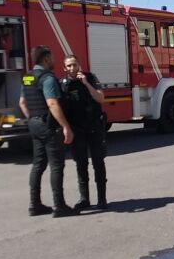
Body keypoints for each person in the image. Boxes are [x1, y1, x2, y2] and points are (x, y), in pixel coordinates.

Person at [19, 45, 75, 218]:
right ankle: (60, 206)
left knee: (38, 164)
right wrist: (65, 126)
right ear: (45, 59)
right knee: (56, 165)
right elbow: (52, 103)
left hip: (34, 124)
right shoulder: (48, 78)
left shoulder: (27, 77)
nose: (53, 60)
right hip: (48, 126)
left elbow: (22, 102)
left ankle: (34, 205)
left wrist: (33, 118)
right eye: (51, 57)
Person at [60, 55, 108, 211]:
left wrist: (86, 84)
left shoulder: (90, 77)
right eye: (69, 66)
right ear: (64, 68)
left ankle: (102, 198)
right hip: (77, 129)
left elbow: (101, 98)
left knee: (98, 162)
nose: (72, 68)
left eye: (74, 65)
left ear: (79, 65)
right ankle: (84, 198)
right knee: (81, 164)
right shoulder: (63, 84)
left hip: (94, 127)